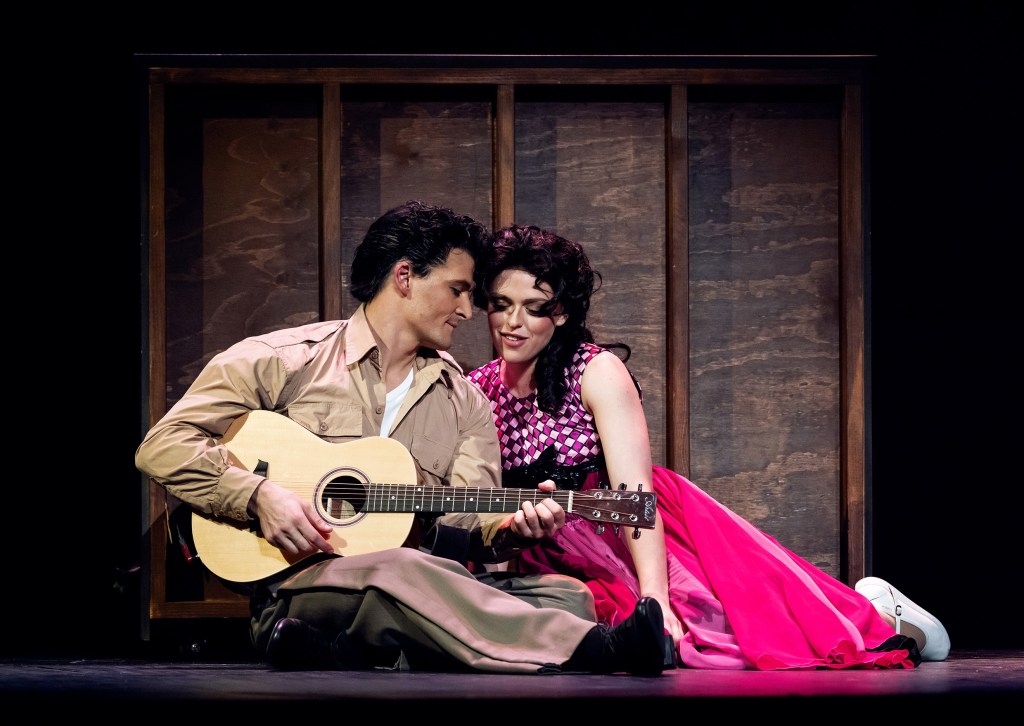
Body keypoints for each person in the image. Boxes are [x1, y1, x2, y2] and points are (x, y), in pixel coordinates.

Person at [135, 201, 671, 676]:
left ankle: (347, 653)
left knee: (565, 595)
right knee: (399, 567)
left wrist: (511, 528)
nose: (468, 310)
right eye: (459, 290)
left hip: (413, 577)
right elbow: (162, 445)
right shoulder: (284, 360)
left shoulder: (466, 402)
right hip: (298, 584)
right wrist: (257, 495)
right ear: (406, 276)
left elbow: (467, 524)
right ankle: (595, 652)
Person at [466, 224, 951, 670]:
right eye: (501, 304)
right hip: (550, 553)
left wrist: (654, 600)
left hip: (629, 530)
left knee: (729, 640)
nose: (513, 322)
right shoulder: (477, 389)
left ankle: (883, 612)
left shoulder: (595, 371)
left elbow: (635, 494)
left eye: (534, 308)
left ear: (562, 312)